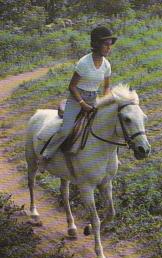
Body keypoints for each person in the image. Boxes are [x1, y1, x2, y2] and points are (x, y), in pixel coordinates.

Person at [39, 26, 117, 170]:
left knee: (105, 125)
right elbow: (72, 86)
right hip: (77, 98)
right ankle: (45, 156)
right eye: (105, 44)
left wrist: (105, 101)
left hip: (93, 98)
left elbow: (106, 87)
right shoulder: (84, 63)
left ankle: (106, 158)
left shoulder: (107, 65)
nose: (108, 47)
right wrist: (82, 103)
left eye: (110, 44)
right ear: (97, 44)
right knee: (66, 129)